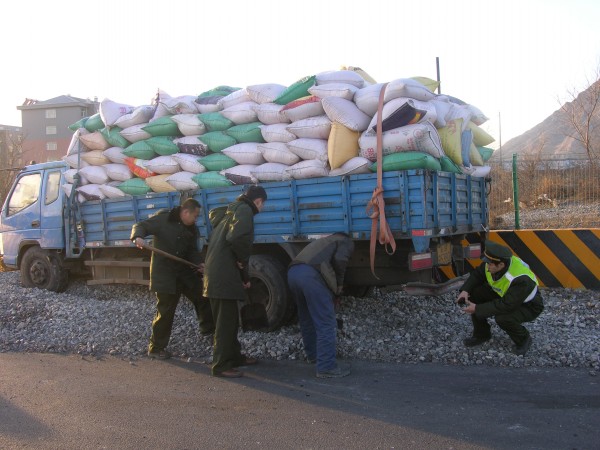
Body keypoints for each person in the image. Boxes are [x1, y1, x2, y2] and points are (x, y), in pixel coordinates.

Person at [131, 198, 214, 359]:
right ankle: (156, 348)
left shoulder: (192, 228)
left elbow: (192, 250)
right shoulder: (163, 219)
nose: (196, 219)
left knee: (203, 297)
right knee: (165, 312)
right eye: (195, 216)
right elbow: (140, 226)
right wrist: (137, 237)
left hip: (184, 274)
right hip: (165, 275)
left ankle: (209, 331)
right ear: (186, 212)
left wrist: (199, 263)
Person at [203, 185, 267, 378]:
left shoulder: (231, 212)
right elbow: (237, 237)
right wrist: (242, 258)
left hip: (217, 274)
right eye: (263, 204)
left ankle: (234, 357)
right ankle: (221, 365)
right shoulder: (245, 210)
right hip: (223, 276)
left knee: (229, 320)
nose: (262, 208)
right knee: (225, 323)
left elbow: (231, 245)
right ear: (258, 201)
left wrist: (244, 277)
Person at [456, 240, 544, 356]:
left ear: (501, 265)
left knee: (503, 318)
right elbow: (478, 274)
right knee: (475, 295)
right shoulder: (493, 263)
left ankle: (524, 339)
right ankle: (482, 334)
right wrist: (465, 291)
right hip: (505, 295)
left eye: (489, 264)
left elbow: (506, 305)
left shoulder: (521, 279)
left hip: (528, 305)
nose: (487, 267)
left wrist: (477, 308)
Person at [287, 233, 355, 378]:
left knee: (306, 318)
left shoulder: (325, 241)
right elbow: (340, 261)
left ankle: (314, 355)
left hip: (293, 273)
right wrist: (339, 285)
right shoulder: (346, 240)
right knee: (326, 322)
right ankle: (326, 367)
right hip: (310, 276)